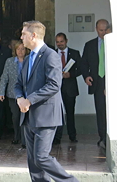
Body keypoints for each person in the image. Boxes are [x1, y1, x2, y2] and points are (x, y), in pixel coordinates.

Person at [15, 21, 78, 182]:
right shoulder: (28, 58)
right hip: (28, 117)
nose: (21, 37)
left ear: (33, 35)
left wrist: (29, 100)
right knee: (33, 162)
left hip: (46, 115)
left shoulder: (51, 55)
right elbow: (18, 84)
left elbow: (54, 85)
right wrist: (20, 98)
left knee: (41, 157)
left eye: (24, 34)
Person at [81, 19, 109, 148]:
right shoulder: (90, 45)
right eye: (101, 30)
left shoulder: (113, 43)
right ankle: (103, 138)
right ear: (96, 29)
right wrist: (86, 76)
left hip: (111, 81)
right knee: (101, 111)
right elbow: (83, 63)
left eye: (105, 30)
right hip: (97, 82)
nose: (103, 33)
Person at [53, 33, 82, 144]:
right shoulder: (53, 54)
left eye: (62, 41)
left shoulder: (75, 53)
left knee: (70, 113)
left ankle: (72, 136)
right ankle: (57, 137)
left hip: (70, 88)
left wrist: (71, 74)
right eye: (58, 42)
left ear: (66, 41)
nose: (60, 44)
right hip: (56, 89)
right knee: (57, 113)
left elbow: (80, 69)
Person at [0, 41, 28, 148]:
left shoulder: (29, 60)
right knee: (15, 117)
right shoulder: (9, 61)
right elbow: (4, 77)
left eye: (23, 49)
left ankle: (25, 140)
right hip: (13, 94)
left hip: (26, 94)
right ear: (15, 51)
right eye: (18, 49)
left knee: (25, 117)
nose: (20, 51)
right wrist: (1, 91)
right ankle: (17, 136)